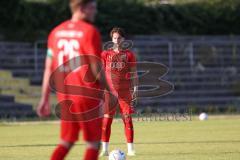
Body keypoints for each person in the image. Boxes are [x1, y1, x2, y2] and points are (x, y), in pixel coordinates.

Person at [36, 0, 114, 160]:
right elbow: (96, 69)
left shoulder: (56, 32)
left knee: (66, 141)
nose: (95, 12)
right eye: (92, 8)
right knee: (93, 143)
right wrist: (109, 91)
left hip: (64, 95)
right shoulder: (89, 31)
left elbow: (48, 68)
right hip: (86, 94)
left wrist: (44, 99)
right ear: (81, 8)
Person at [100, 27, 138, 156]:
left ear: (124, 39)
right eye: (115, 38)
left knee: (127, 119)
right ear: (112, 39)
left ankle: (131, 149)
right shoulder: (105, 54)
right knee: (106, 120)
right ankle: (104, 150)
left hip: (125, 92)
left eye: (119, 38)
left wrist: (136, 88)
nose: (117, 40)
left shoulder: (129, 55)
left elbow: (133, 74)